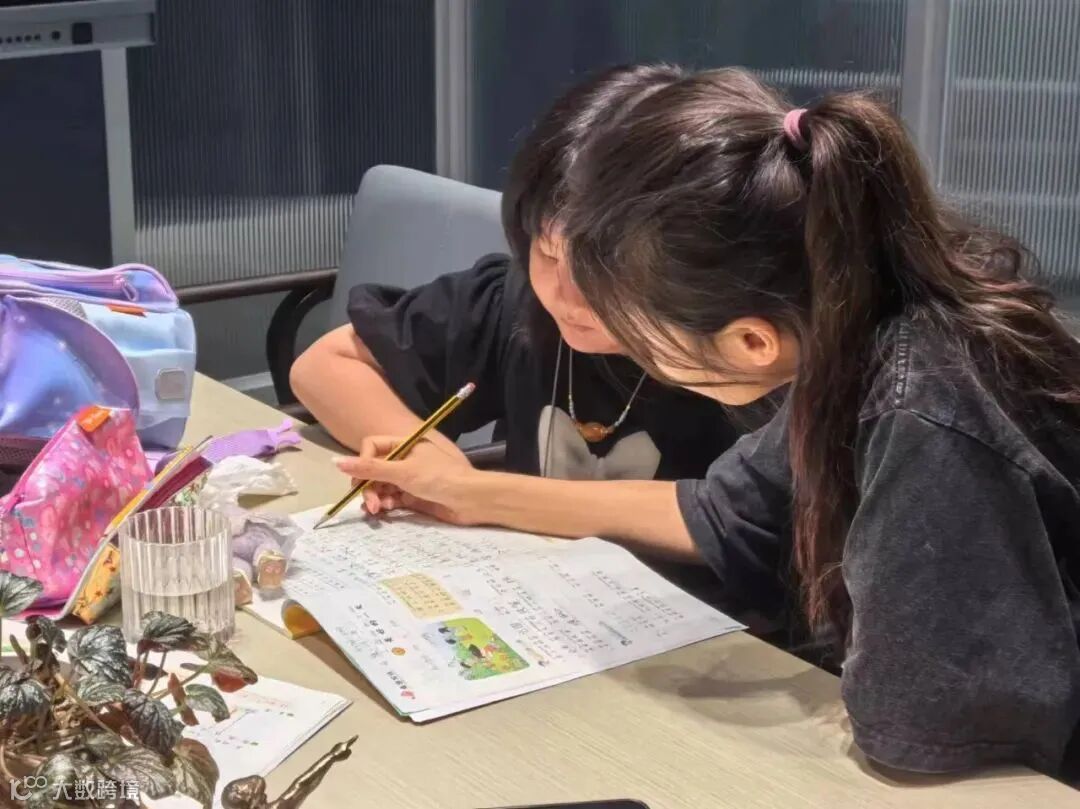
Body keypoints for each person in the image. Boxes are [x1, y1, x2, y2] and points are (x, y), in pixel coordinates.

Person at [334, 66, 1080, 777]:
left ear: (750, 343)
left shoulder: (923, 405)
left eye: (641, 334)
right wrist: (473, 493)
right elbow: (729, 511)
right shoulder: (850, 327)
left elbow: (924, 729)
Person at [291, 65, 758, 600]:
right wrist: (431, 456)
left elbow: (730, 516)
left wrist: (477, 493)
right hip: (536, 598)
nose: (568, 297)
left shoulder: (747, 363)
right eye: (548, 253)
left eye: (604, 273)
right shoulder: (518, 303)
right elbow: (326, 364)